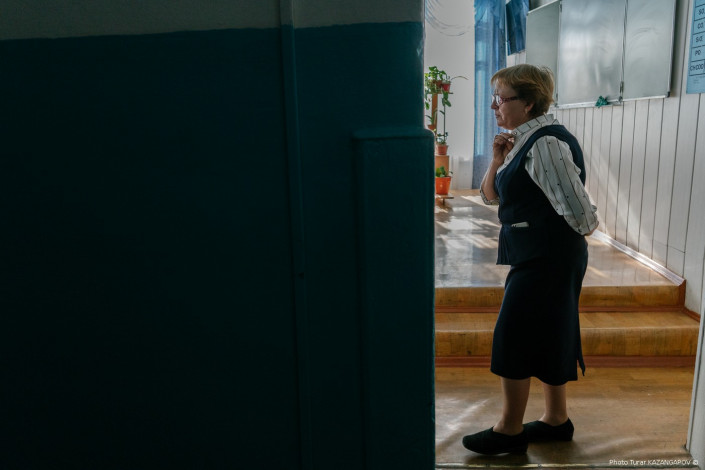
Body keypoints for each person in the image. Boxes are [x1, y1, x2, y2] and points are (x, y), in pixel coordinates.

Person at [462, 64, 599, 455]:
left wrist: (545, 233)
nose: (494, 106)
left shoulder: (546, 143)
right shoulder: (521, 141)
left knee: (513, 336)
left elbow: (583, 217)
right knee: (552, 332)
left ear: (528, 103)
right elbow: (491, 197)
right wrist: (496, 160)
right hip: (536, 254)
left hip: (548, 257)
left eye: (501, 99)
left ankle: (509, 430)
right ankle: (556, 420)